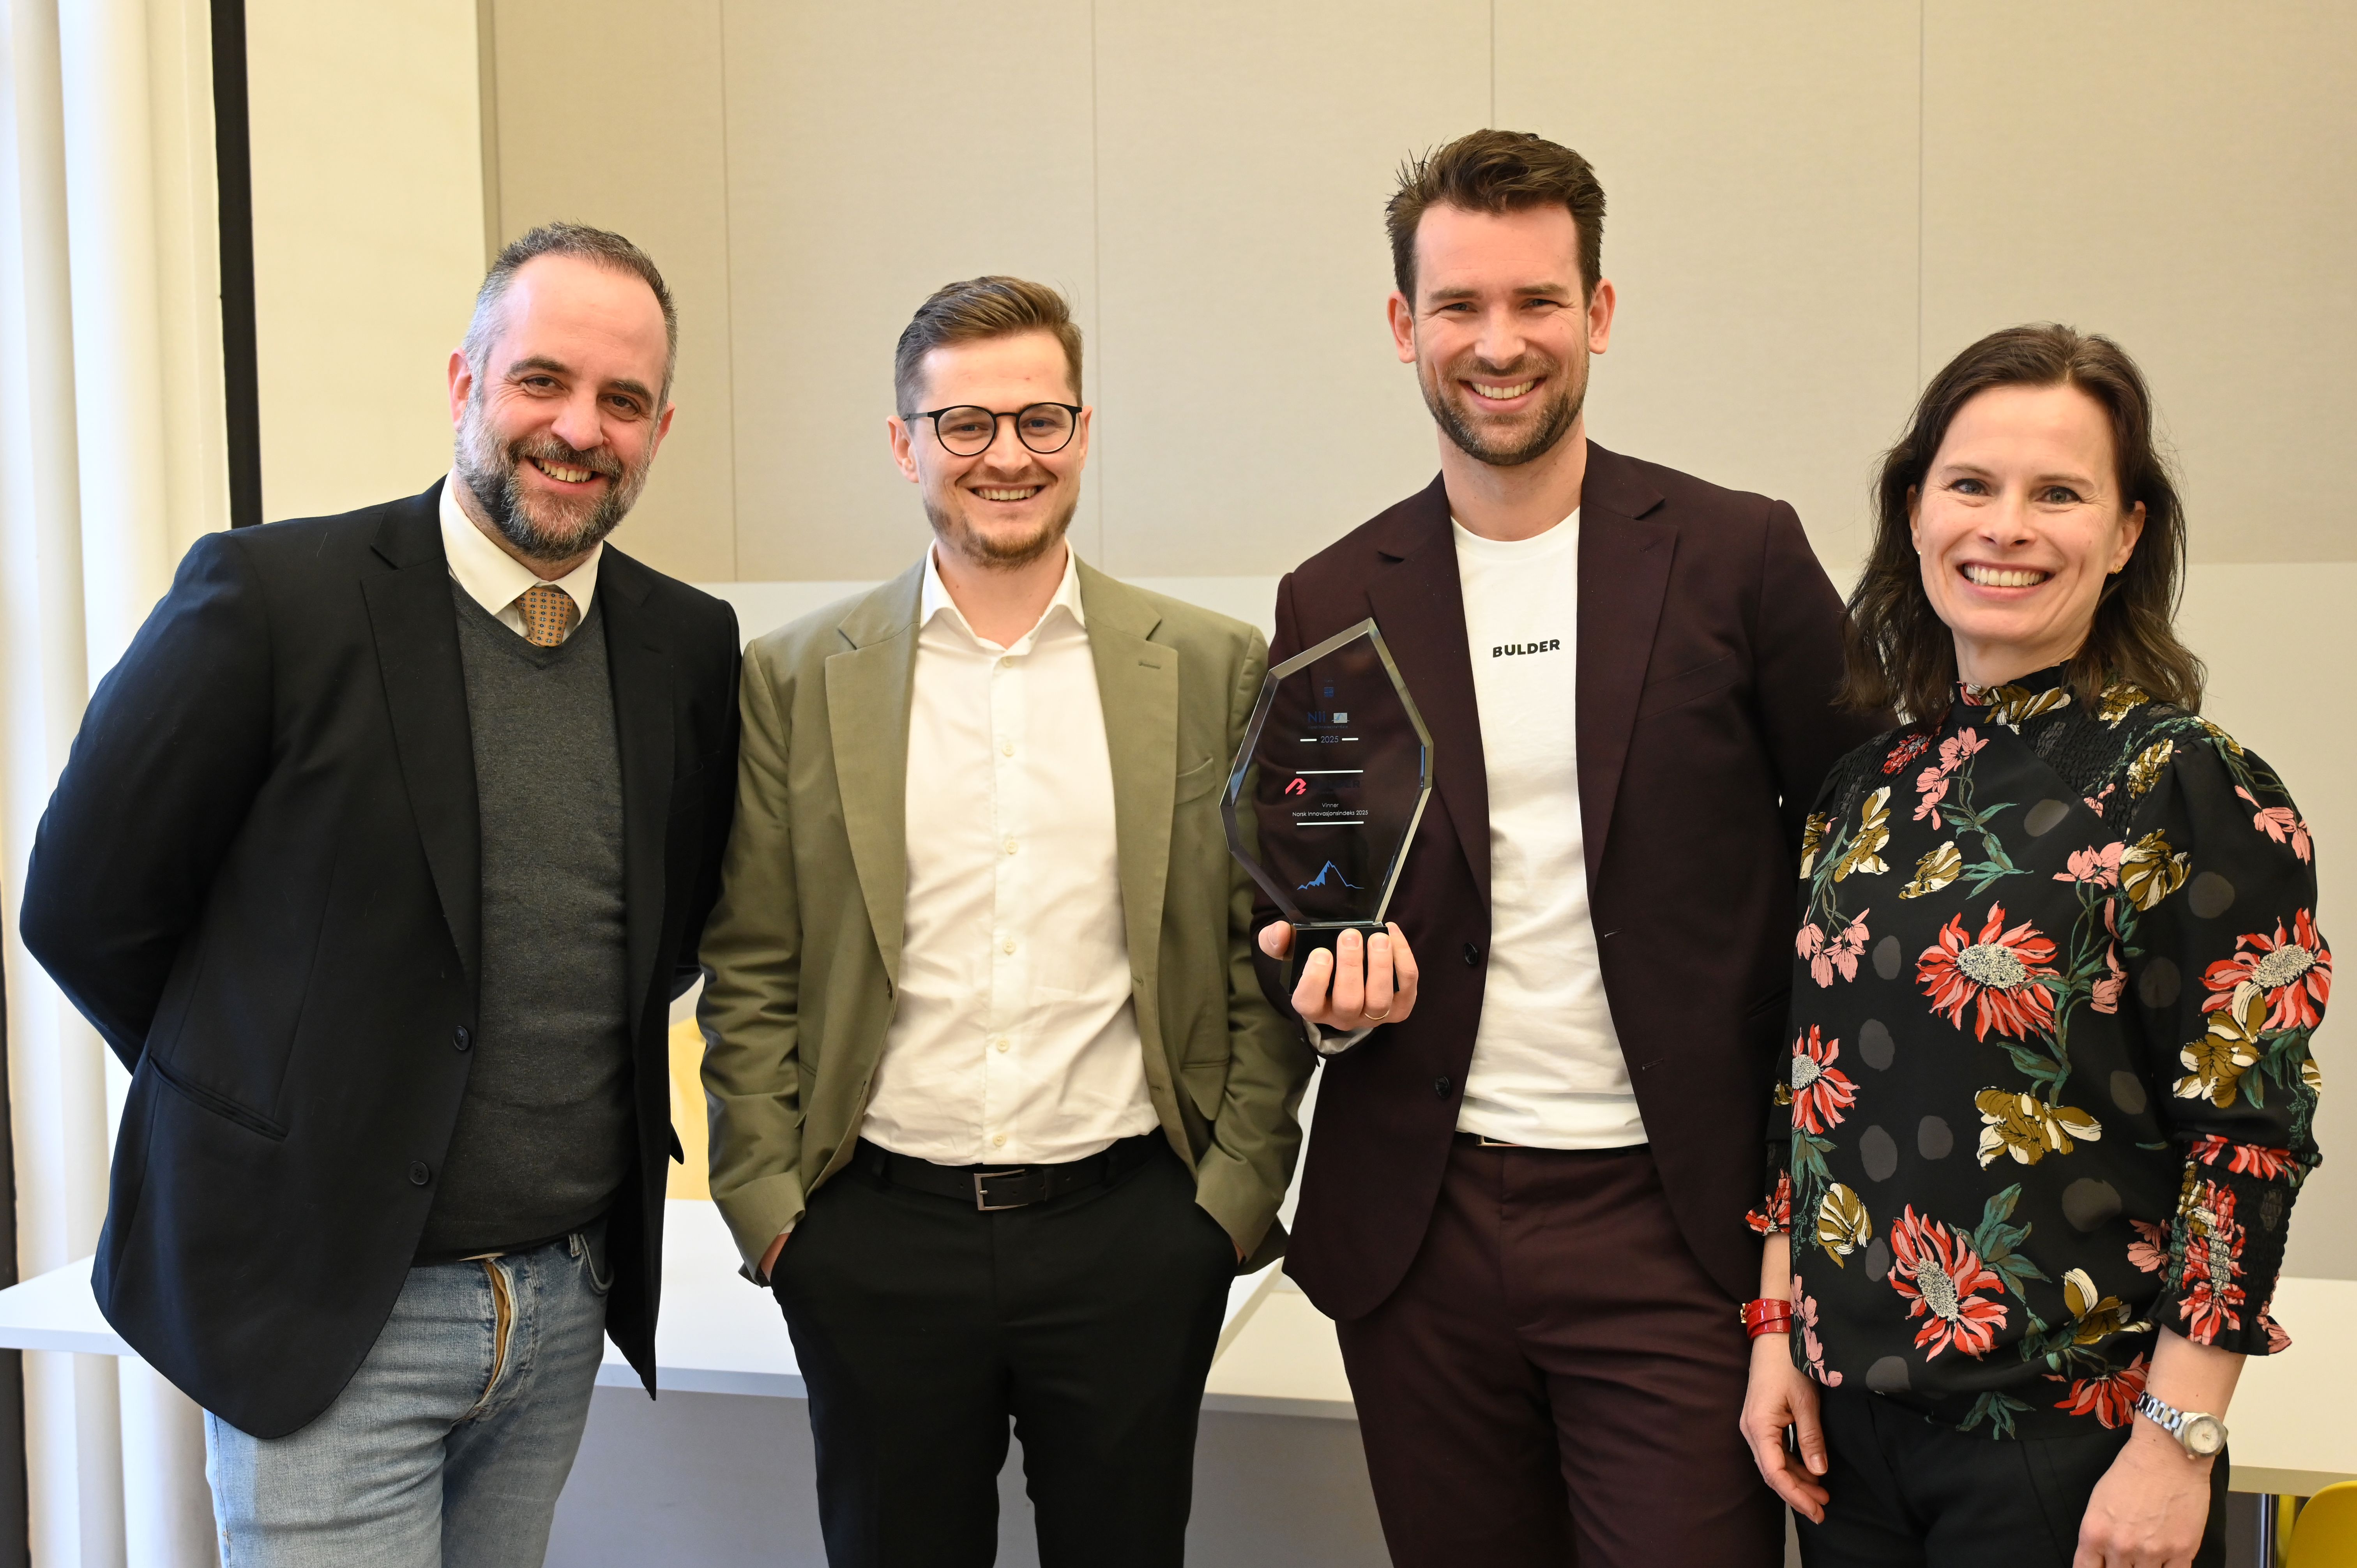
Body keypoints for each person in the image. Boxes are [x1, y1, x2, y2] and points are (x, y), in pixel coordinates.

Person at [18, 223, 740, 1566]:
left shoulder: (687, 646)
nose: (579, 429)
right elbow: (82, 906)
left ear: (659, 426)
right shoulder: (272, 600)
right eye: (542, 381)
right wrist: (271, 1111)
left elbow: (670, 930)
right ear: (465, 384)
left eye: (622, 401)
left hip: (565, 1295)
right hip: (332, 1307)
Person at [1252, 129, 1885, 1566]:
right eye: (1460, 307)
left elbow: (1872, 868)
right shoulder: (1335, 594)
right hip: (1418, 1233)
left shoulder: (1740, 555)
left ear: (1597, 314)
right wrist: (1320, 988)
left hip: (1678, 1228)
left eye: (1537, 302)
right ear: (1405, 327)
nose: (1500, 343)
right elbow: (1298, 893)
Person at [697, 275, 1311, 1567]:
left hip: (1136, 1236)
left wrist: (1229, 1199)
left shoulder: (1211, 667)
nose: (1007, 457)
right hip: (871, 1240)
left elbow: (1266, 957)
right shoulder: (798, 677)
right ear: (904, 442)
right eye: (965, 424)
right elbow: (752, 963)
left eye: (1040, 420)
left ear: (1083, 432)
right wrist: (770, 1210)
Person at [1739, 323, 2327, 1567]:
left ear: (2123, 536)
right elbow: (1808, 1089)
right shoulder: (1862, 791)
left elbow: (2246, 1144)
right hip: (1848, 1436)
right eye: (1972, 485)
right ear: (1915, 512)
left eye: (2058, 493)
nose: (2005, 527)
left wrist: (2178, 1445)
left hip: (2074, 1451)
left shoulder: (2187, 785)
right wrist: (1774, 1332)